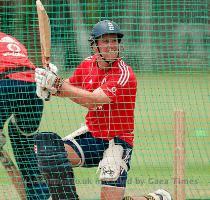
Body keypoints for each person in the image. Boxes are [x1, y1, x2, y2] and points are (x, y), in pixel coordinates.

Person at [34, 20, 172, 200]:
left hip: (118, 140)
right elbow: (70, 88)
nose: (111, 46)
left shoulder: (124, 74)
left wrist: (58, 85)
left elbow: (93, 101)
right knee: (49, 150)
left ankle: (154, 198)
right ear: (94, 46)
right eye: (105, 41)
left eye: (114, 41)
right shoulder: (87, 65)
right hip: (93, 136)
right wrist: (49, 87)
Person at [0, 31, 56, 199]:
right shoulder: (11, 39)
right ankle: (39, 195)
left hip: (6, 84)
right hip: (33, 88)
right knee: (24, 144)